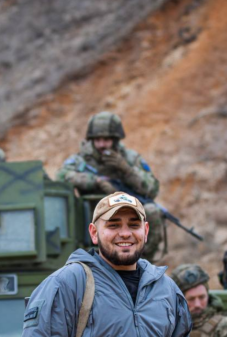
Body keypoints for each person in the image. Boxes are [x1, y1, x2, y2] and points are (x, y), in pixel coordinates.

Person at [21, 191, 193, 337]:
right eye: (113, 225)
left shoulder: (167, 288)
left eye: (134, 225)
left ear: (145, 231)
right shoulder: (68, 283)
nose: (125, 233)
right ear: (94, 233)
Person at [56, 111, 164, 262]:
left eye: (106, 140)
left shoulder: (129, 158)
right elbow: (62, 176)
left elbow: (152, 188)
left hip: (127, 212)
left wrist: (126, 169)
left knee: (152, 211)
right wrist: (96, 181)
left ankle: (140, 261)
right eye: (97, 140)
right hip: (92, 214)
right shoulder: (82, 159)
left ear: (115, 140)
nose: (101, 145)